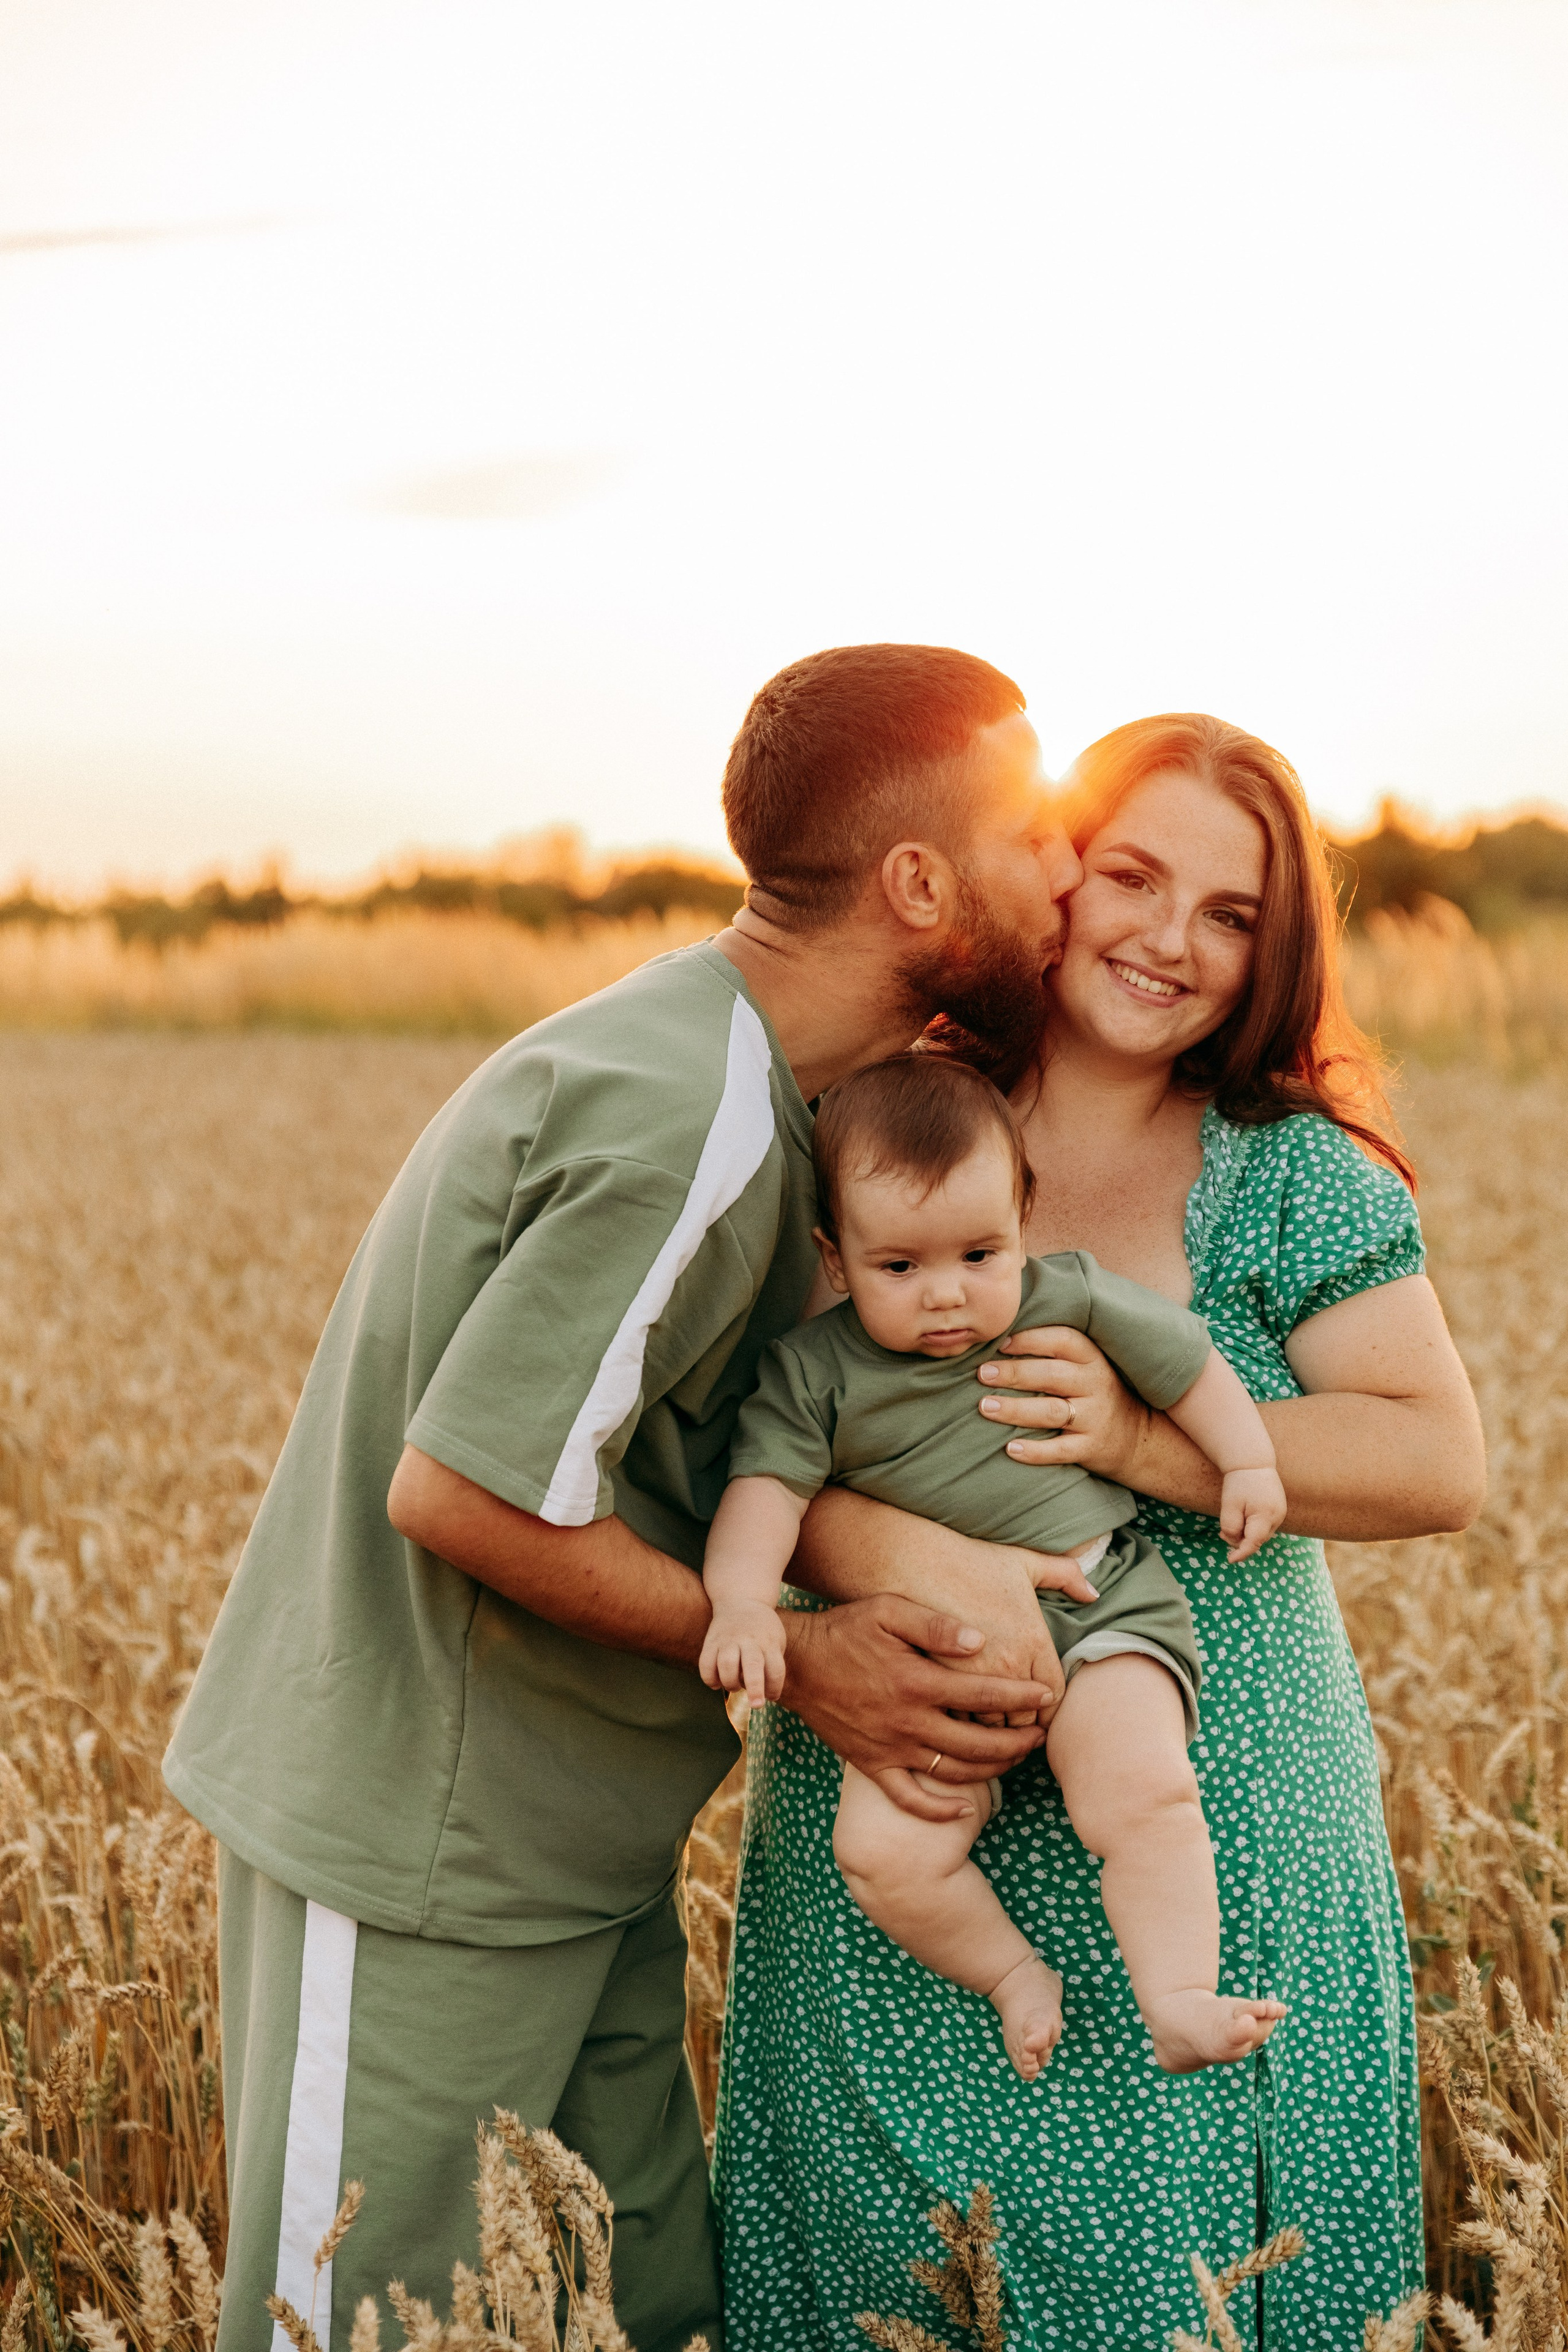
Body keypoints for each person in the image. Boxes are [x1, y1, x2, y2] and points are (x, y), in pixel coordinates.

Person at [162, 643, 1086, 2352]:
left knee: (638, 2314)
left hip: (573, 1859)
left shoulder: (773, 1100)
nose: (1070, 874)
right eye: (1039, 835)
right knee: (365, 2330)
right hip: (420, 1851)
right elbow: (457, 1491)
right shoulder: (694, 1120)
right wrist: (810, 1663)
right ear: (918, 882)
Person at [714, 714, 1487, 2348]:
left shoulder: (1292, 1175)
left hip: (1218, 1833)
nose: (1168, 941)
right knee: (889, 2289)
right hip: (913, 1812)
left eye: (1232, 917)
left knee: (1189, 2297)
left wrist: (1152, 1443)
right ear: (1056, 872)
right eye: (1133, 877)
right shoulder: (875, 1122)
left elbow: (1434, 1458)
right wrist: (898, 1575)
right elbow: (750, 1424)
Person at [701, 1052, 1287, 2079]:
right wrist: (744, 1603)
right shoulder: (815, 1374)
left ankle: (1181, 1994)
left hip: (1101, 1603)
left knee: (1142, 1790)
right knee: (883, 1856)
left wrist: (1245, 1460)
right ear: (836, 1260)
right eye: (901, 1268)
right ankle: (1016, 1975)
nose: (947, 1296)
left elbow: (1189, 1365)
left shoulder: (1069, 1298)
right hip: (943, 1661)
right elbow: (764, 1496)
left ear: (1026, 1216)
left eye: (981, 1254)